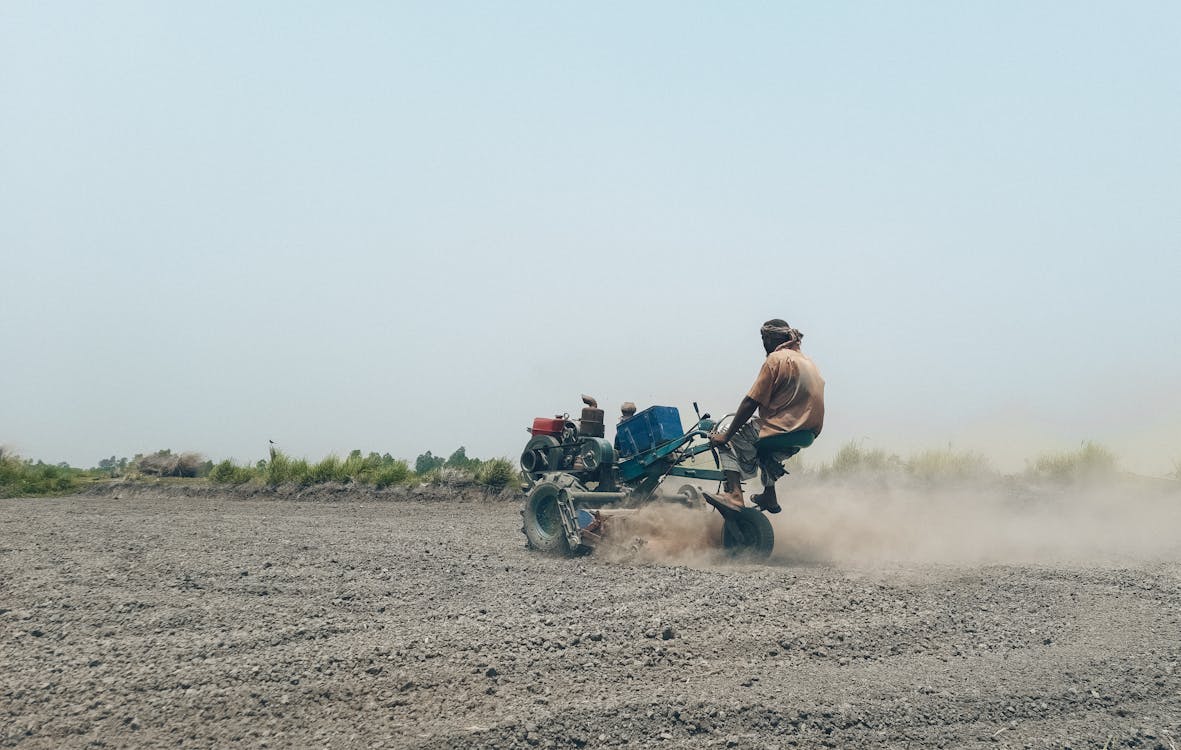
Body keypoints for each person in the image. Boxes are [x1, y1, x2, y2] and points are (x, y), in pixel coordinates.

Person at [707, 320, 825, 513]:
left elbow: (750, 401)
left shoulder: (776, 359)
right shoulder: (808, 362)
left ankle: (735, 495)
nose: (763, 344)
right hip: (807, 434)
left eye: (764, 339)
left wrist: (725, 437)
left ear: (771, 338)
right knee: (763, 448)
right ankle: (770, 496)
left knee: (724, 432)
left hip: (784, 428)